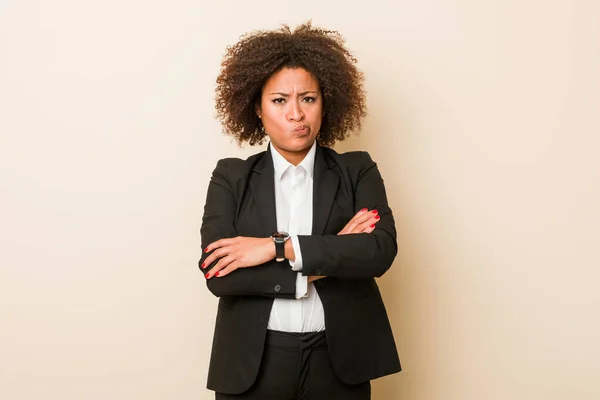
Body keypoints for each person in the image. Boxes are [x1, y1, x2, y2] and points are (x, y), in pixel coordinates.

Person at [199, 22, 401, 400]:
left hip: (338, 361)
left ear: (326, 102)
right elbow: (219, 275)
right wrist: (327, 257)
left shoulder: (357, 170)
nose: (296, 114)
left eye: (307, 98)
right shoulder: (231, 176)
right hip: (253, 364)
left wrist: (278, 248)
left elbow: (378, 252)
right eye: (279, 101)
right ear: (257, 109)